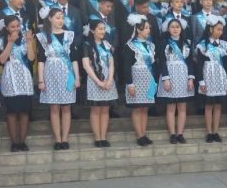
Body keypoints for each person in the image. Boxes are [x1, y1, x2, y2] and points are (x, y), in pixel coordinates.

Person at [36, 7, 80, 150]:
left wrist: (77, 77)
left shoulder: (70, 35)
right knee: (54, 107)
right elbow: (41, 60)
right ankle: (58, 139)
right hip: (51, 74)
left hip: (67, 74)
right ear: (50, 19)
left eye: (62, 18)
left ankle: (65, 139)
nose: (61, 21)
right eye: (57, 18)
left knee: (66, 107)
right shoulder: (43, 37)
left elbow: (74, 59)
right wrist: (41, 80)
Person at [0, 15, 35, 152]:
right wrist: (10, 43)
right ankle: (14, 142)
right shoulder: (1, 40)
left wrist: (29, 43)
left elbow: (31, 58)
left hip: (24, 77)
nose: (16, 29)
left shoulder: (25, 39)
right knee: (11, 112)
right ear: (7, 28)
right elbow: (1, 60)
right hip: (10, 77)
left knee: (24, 112)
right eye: (12, 27)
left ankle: (22, 142)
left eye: (18, 26)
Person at [156, 18, 195, 144]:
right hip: (170, 76)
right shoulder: (164, 43)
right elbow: (162, 62)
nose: (175, 29)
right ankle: (172, 134)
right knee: (171, 107)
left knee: (182, 107)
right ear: (168, 29)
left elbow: (190, 62)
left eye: (177, 27)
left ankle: (180, 133)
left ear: (181, 29)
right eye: (172, 27)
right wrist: (165, 79)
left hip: (183, 76)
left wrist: (190, 78)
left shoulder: (186, 43)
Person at [82, 19, 118, 148]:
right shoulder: (87, 45)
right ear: (92, 30)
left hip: (108, 80)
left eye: (104, 29)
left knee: (105, 109)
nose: (103, 31)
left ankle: (103, 136)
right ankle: (97, 138)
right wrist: (98, 82)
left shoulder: (107, 44)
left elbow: (111, 64)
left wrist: (110, 80)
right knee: (96, 110)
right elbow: (86, 65)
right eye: (100, 29)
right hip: (94, 80)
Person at [123, 13, 157, 146]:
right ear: (138, 29)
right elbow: (126, 66)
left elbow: (153, 64)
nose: (148, 30)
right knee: (137, 108)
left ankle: (144, 133)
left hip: (148, 79)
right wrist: (130, 83)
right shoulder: (130, 45)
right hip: (136, 79)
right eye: (146, 28)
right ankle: (139, 135)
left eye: (149, 28)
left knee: (145, 108)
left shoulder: (150, 45)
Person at [195, 15, 227, 143]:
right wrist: (201, 81)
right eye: (218, 29)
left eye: (221, 30)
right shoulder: (203, 45)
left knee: (218, 106)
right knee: (209, 105)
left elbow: (226, 64)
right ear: (211, 29)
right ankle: (209, 132)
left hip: (220, 76)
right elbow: (199, 64)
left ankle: (216, 131)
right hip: (208, 75)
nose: (220, 32)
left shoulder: (224, 45)